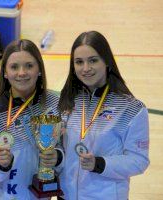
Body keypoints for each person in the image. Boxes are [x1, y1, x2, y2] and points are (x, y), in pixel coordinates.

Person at [58, 31, 150, 200]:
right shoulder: (68, 101)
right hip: (66, 195)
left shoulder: (131, 109)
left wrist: (100, 164)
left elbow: (139, 161)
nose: (85, 68)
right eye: (79, 62)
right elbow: (61, 150)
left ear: (106, 61)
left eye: (93, 60)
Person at [0, 39, 64, 199]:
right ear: (5, 72)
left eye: (29, 66)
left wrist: (57, 157)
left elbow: (64, 146)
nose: (22, 73)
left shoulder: (54, 104)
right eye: (14, 67)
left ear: (39, 69)